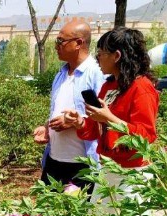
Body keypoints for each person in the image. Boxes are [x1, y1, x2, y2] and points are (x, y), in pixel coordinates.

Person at [63, 27, 158, 191]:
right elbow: (95, 129)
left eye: (101, 53)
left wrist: (109, 118)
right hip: (108, 168)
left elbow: (146, 136)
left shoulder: (141, 87)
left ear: (117, 56)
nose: (97, 58)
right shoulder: (108, 86)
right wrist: (79, 122)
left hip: (133, 173)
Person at [33, 20, 105, 194]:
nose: (56, 46)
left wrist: (74, 122)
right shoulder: (61, 74)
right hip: (53, 161)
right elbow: (56, 110)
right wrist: (46, 128)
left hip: (82, 164)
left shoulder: (96, 74)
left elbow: (105, 118)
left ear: (78, 43)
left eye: (60, 41)